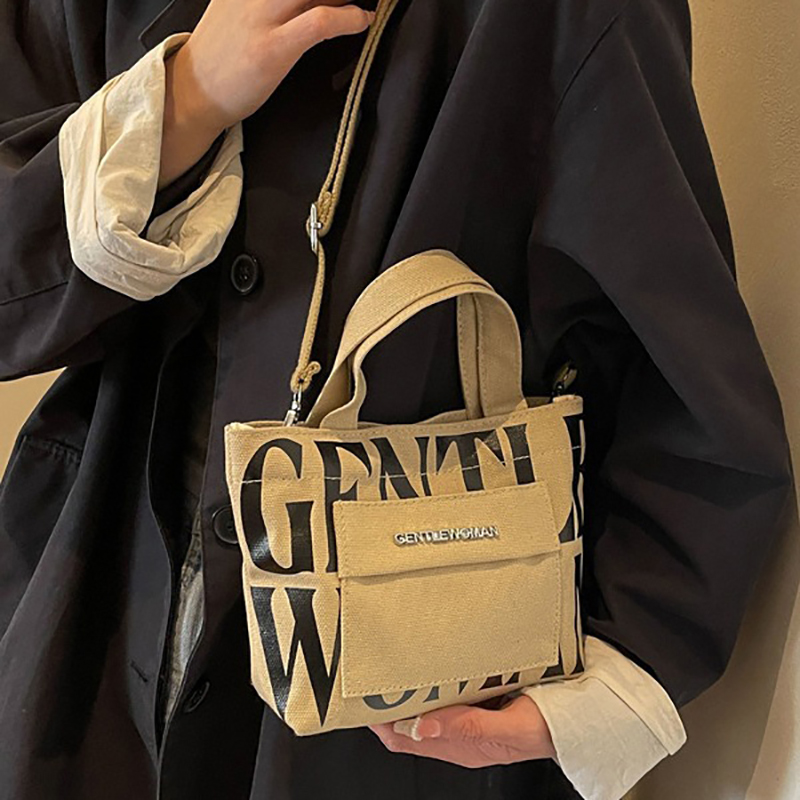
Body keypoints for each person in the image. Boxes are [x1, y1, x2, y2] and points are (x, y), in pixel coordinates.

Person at [0, 0, 792, 799]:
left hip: (404, 705)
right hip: (89, 637)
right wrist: (186, 99)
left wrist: (611, 674)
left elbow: (676, 365)